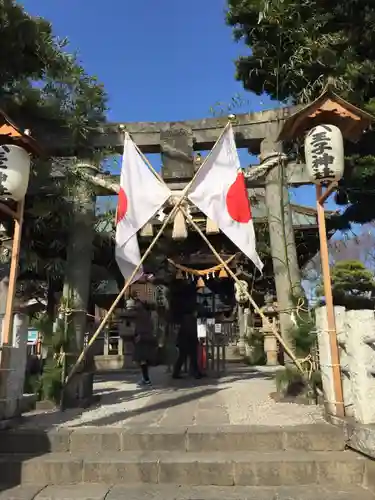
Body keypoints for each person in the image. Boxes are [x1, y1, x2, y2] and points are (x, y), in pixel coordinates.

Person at [133, 299, 157, 387]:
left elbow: (142, 327)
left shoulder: (141, 314)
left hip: (143, 339)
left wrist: (139, 335)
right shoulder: (146, 314)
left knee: (142, 360)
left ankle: (146, 379)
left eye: (136, 304)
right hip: (146, 338)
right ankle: (145, 378)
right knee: (143, 360)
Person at [173, 309, 201, 379]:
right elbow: (192, 331)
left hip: (183, 341)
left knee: (182, 358)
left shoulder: (184, 318)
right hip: (189, 341)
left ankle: (176, 373)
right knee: (193, 358)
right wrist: (196, 340)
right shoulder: (192, 319)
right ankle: (196, 373)